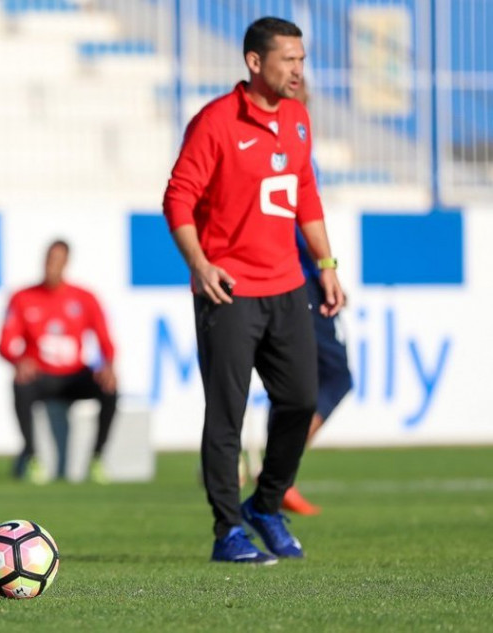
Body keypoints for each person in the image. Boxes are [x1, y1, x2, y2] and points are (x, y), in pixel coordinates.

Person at [162, 17, 345, 564]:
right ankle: (228, 533)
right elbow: (177, 199)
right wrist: (201, 264)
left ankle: (265, 505)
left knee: (301, 400)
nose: (297, 69)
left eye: (301, 59)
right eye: (288, 59)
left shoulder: (298, 119)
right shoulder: (216, 122)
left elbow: (304, 194)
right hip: (230, 292)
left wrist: (327, 264)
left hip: (289, 287)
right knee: (227, 415)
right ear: (254, 62)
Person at [279, 78, 353, 515]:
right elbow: (299, 219)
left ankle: (274, 471)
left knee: (302, 379)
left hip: (299, 275)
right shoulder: (294, 150)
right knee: (332, 376)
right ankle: (279, 473)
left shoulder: (291, 147)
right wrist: (325, 270)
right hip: (300, 279)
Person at [0, 240, 118, 484]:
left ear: (66, 262)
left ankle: (96, 458)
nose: (51, 265)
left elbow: (106, 342)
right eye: (48, 258)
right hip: (41, 375)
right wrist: (19, 361)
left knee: (109, 388)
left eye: (57, 259)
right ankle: (33, 457)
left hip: (74, 375)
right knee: (20, 385)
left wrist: (108, 366)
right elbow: (4, 344)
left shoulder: (84, 298)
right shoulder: (23, 298)